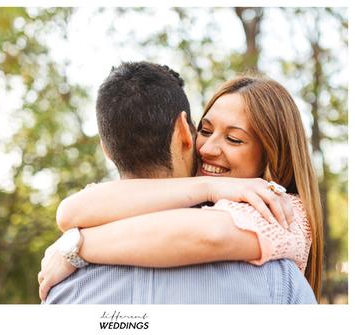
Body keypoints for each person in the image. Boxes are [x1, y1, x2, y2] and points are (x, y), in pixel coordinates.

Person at [39, 61, 319, 304]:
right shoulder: (199, 193)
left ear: (272, 157)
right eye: (206, 131)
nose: (208, 148)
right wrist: (210, 186)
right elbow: (70, 211)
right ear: (187, 132)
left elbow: (209, 235)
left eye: (234, 139)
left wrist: (77, 245)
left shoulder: (282, 210)